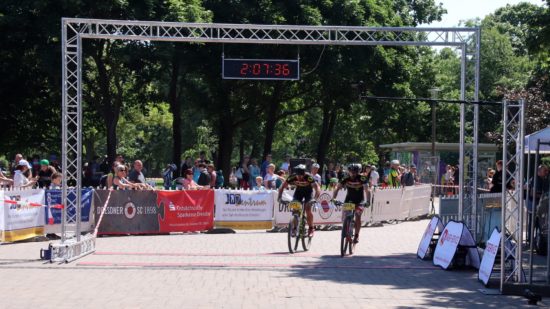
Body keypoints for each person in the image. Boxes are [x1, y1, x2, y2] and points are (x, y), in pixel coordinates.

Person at [277, 164, 320, 237]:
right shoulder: (292, 177)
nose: (299, 177)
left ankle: (311, 228)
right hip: (298, 193)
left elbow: (317, 188)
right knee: (295, 209)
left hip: (308, 193)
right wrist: (279, 198)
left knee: (307, 208)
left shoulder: (308, 177)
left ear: (304, 174)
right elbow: (282, 187)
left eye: (301, 176)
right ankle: (294, 228)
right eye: (298, 176)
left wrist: (315, 199)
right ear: (296, 174)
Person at [332, 163, 368, 244]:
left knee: (358, 216)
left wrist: (368, 201)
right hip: (349, 200)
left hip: (359, 201)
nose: (353, 173)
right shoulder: (346, 178)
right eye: (351, 172)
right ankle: (346, 227)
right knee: (345, 216)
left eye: (355, 172)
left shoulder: (362, 178)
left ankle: (356, 235)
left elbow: (367, 190)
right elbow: (337, 188)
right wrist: (334, 198)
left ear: (358, 172)